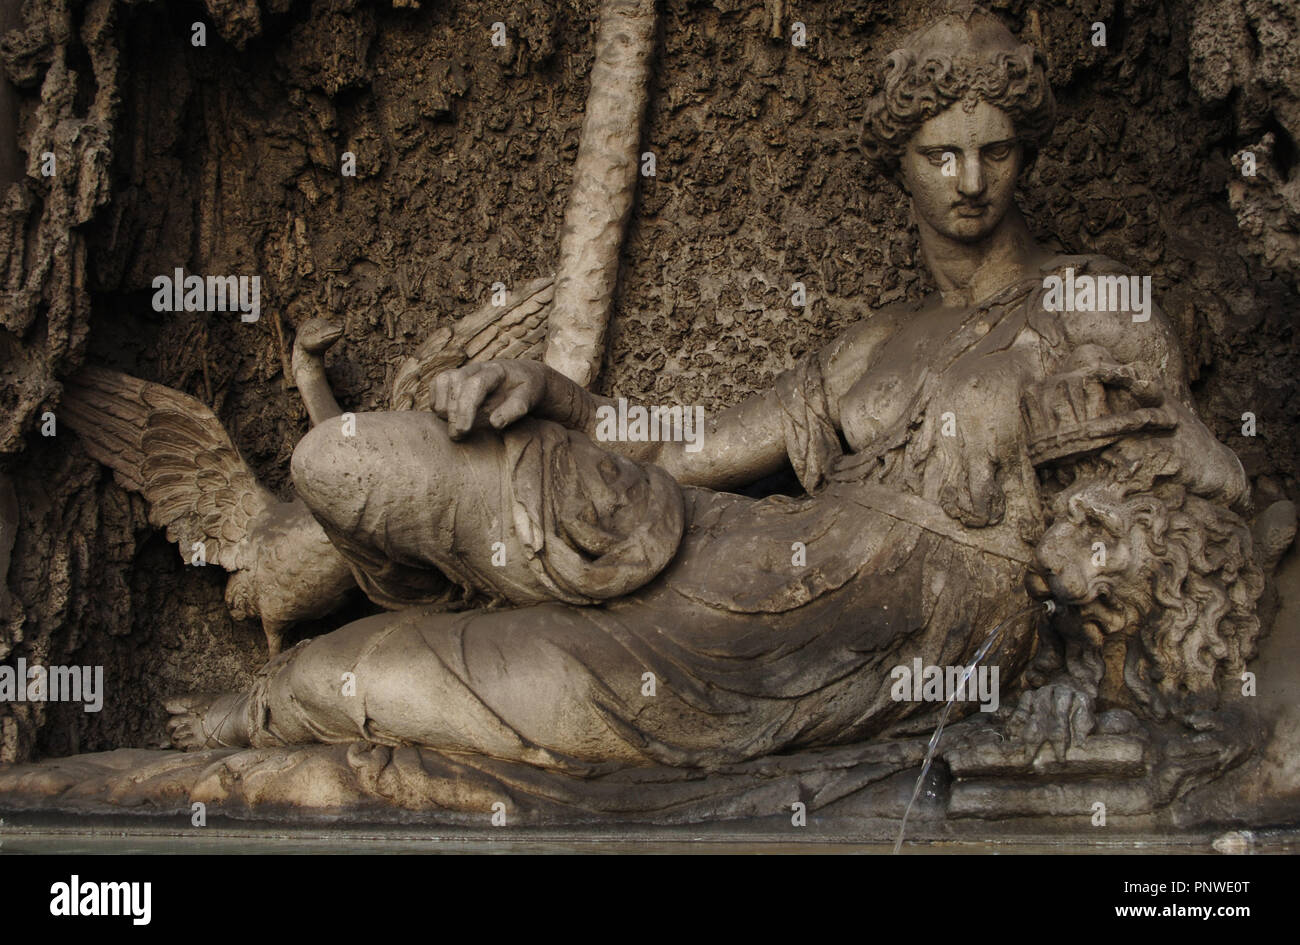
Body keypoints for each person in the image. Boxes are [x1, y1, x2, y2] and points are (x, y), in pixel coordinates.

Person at [166, 8, 1246, 771]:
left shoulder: (1096, 301)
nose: (969, 182)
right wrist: (548, 391)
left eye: (996, 152)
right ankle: (283, 696)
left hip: (861, 638)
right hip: (735, 555)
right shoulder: (864, 350)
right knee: (348, 459)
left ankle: (264, 712)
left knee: (390, 677)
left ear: (1026, 158)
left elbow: (1194, 495)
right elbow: (678, 450)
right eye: (940, 153)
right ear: (899, 163)